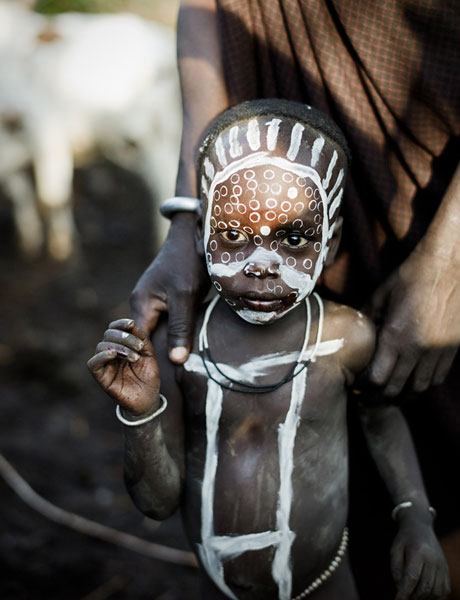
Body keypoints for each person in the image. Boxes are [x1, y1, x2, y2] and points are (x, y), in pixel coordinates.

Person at [129, 2, 460, 596]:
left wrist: (415, 517)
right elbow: (155, 499)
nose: (261, 262)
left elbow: (384, 417)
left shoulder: (346, 338)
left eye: (293, 238)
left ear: (330, 241)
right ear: (207, 229)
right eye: (233, 236)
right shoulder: (182, 349)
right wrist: (141, 411)